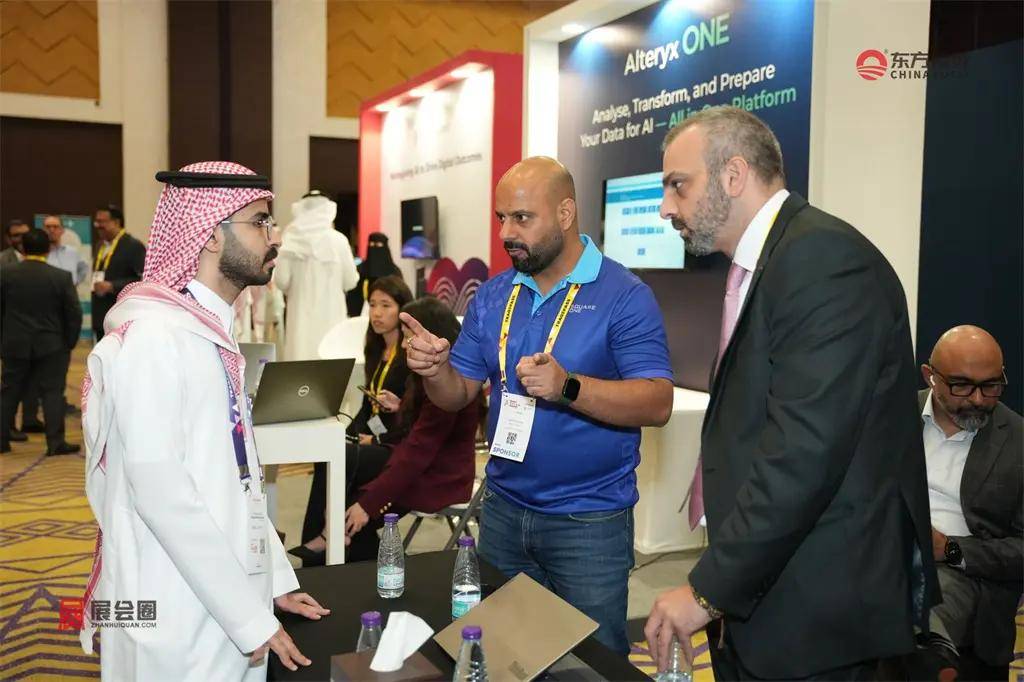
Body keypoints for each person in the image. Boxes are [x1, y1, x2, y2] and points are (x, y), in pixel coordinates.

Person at [643, 106, 938, 680]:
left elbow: (803, 455)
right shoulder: (776, 260)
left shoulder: (822, 261)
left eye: (678, 185)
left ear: (733, 175)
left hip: (818, 614)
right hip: (769, 594)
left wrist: (706, 591)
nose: (665, 207)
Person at [403, 156, 674, 654]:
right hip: (502, 511)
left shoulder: (624, 296)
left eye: (522, 218)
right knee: (503, 654)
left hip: (589, 521)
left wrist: (568, 387)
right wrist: (435, 370)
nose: (507, 232)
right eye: (501, 218)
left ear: (565, 214)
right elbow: (457, 395)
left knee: (592, 664)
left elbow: (657, 402)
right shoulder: (493, 296)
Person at [79, 162, 328, 680]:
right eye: (260, 221)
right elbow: (160, 492)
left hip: (228, 598)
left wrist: (274, 580)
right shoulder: (155, 340)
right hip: (175, 607)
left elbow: (240, 480)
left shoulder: (206, 331)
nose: (276, 236)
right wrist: (248, 617)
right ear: (211, 235)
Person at [342, 296, 480, 561]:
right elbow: (420, 432)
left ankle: (330, 546)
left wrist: (367, 505)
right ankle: (328, 542)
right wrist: (400, 407)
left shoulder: (446, 381)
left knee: (355, 502)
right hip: (425, 463)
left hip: (438, 475)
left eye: (409, 338)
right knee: (348, 473)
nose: (404, 345)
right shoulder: (430, 374)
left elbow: (419, 449)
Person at [290, 274, 413, 565]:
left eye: (386, 305)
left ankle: (321, 546)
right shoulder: (375, 349)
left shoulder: (411, 355)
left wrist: (377, 439)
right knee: (330, 452)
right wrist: (350, 432)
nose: (377, 313)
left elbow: (413, 418)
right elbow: (368, 407)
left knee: (342, 459)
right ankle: (331, 543)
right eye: (373, 305)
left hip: (397, 447)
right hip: (375, 441)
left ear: (402, 310)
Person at [918, 325, 1022, 669]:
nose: (978, 399)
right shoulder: (889, 415)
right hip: (878, 554)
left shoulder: (1018, 441)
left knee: (918, 613)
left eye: (991, 385)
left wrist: (948, 549)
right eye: (961, 385)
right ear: (930, 376)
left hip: (959, 572)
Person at [0, 229, 81, 455]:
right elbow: (73, 313)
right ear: (48, 249)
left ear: (23, 248)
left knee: (8, 391)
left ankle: (1, 441)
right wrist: (69, 342)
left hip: (14, 343)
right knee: (52, 392)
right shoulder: (61, 277)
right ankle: (55, 443)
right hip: (52, 345)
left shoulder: (5, 274)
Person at [274, 191, 359, 360]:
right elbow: (351, 281)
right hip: (332, 318)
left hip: (300, 323)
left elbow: (281, 281)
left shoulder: (289, 240)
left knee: (300, 367)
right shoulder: (339, 240)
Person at [90, 205, 145, 341]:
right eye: (97, 221)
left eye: (102, 221)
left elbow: (143, 279)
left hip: (122, 317)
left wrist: (112, 286)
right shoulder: (100, 245)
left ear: (116, 222)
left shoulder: (133, 246)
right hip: (101, 316)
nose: (98, 225)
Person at [347, 231, 401, 316]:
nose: (374, 249)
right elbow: (353, 297)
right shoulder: (360, 270)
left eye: (378, 245)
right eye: (371, 245)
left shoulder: (394, 272)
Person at [45, 214, 89, 285]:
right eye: (48, 227)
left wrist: (74, 283)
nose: (51, 230)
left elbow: (84, 269)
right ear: (43, 230)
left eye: (55, 227)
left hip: (69, 291)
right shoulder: (39, 254)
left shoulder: (72, 252)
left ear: (62, 230)